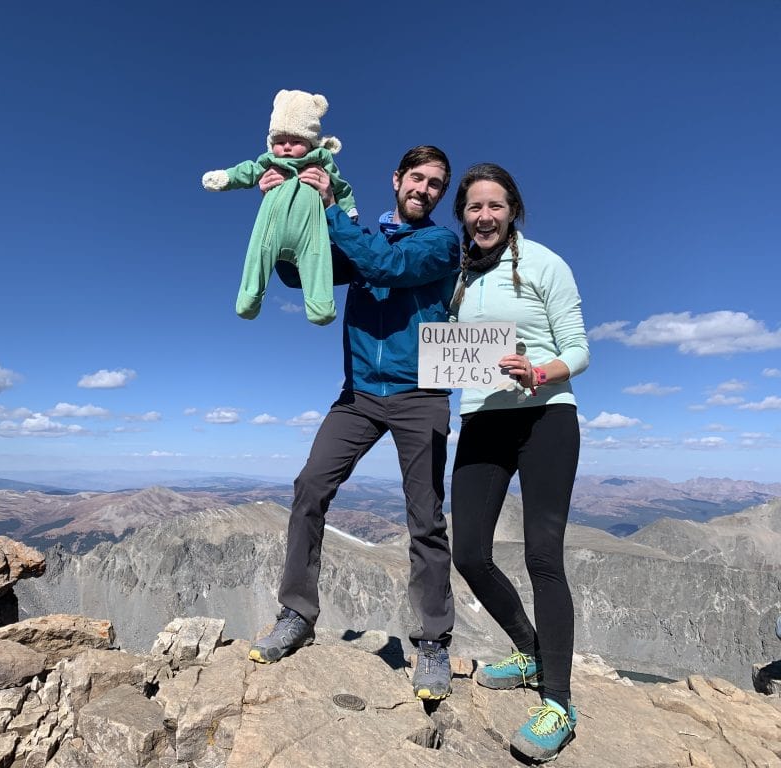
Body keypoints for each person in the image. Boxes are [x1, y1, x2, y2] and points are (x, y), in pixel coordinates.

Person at [248, 145, 460, 701]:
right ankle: (296, 614)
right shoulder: (361, 236)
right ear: (397, 180)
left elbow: (386, 266)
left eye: (436, 184)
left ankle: (433, 643)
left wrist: (334, 211)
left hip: (421, 394)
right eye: (418, 178)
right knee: (310, 487)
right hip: (360, 395)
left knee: (426, 518)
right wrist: (290, 204)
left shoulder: (441, 243)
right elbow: (298, 275)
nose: (426, 189)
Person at [448, 163, 589, 762]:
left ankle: (557, 701)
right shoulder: (455, 277)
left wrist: (539, 371)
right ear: (464, 216)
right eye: (474, 208)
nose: (484, 217)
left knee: (541, 556)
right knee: (470, 553)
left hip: (545, 418)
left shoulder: (545, 264)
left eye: (495, 206)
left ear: (513, 211)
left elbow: (579, 349)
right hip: (482, 419)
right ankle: (528, 648)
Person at [202, 89, 357, 325]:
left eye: (296, 142)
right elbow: (247, 171)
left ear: (310, 142)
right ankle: (248, 300)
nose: (286, 147)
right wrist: (225, 178)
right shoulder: (269, 163)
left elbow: (341, 186)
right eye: (280, 141)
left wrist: (348, 210)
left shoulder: (322, 164)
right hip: (270, 231)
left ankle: (321, 307)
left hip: (310, 236)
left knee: (318, 260)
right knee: (258, 257)